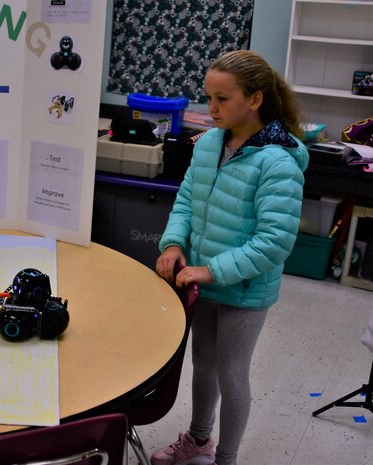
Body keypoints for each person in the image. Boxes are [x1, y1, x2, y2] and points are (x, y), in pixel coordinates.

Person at [152, 50, 309, 465]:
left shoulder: (278, 162)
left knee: (231, 374)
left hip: (243, 287)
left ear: (255, 100)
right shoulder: (208, 144)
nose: (212, 108)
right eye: (209, 97)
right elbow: (186, 199)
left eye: (223, 99)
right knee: (202, 363)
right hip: (204, 280)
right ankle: (198, 442)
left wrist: (213, 269)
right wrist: (173, 244)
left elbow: (275, 241)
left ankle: (226, 458)